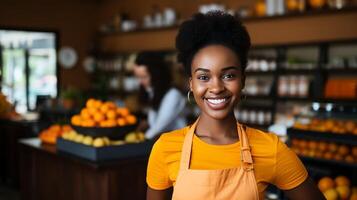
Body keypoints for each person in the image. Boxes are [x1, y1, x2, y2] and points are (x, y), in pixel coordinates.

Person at [146, 11, 325, 200]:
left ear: (242, 81)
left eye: (228, 75)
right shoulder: (166, 148)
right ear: (191, 84)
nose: (216, 87)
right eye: (204, 77)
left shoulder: (270, 149)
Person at [133, 51, 187, 140]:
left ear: (156, 74)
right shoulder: (152, 92)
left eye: (144, 77)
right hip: (163, 142)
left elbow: (159, 126)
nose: (140, 82)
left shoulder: (173, 95)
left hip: (178, 144)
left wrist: (141, 139)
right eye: (138, 77)